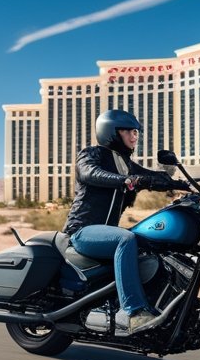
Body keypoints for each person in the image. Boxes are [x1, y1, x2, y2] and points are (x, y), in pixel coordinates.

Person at [62, 109, 185, 335]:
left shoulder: (125, 163)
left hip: (105, 232)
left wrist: (185, 185)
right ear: (111, 132)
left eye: (136, 132)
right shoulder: (91, 154)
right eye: (129, 131)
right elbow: (91, 173)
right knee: (126, 238)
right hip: (82, 232)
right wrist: (126, 180)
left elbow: (154, 178)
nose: (134, 136)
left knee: (151, 243)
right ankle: (134, 312)